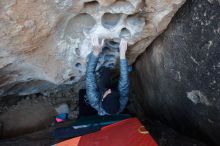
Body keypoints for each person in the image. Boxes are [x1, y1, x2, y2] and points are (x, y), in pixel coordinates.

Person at [80, 36, 129, 116]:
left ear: (102, 99)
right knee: (117, 77)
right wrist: (123, 54)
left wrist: (96, 53)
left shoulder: (94, 100)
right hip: (115, 92)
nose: (110, 90)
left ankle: (103, 73)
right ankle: (110, 73)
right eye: (113, 93)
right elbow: (124, 80)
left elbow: (90, 74)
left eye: (108, 93)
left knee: (104, 77)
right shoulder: (122, 101)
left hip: (100, 90)